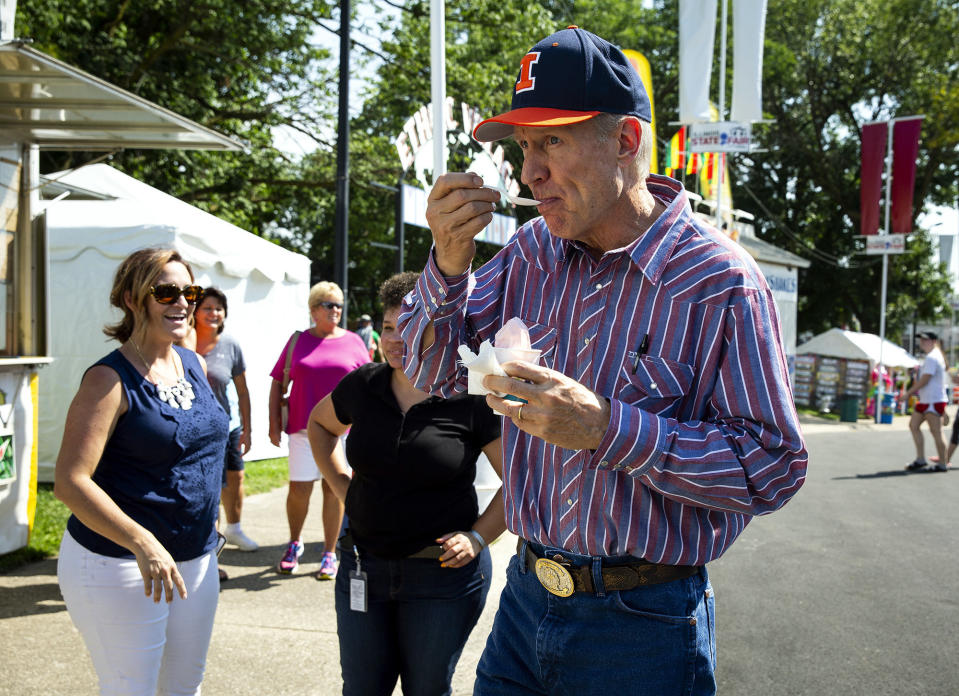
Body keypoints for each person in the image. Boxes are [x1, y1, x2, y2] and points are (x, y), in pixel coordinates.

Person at [398, 26, 808, 695]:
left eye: (551, 141)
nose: (528, 170)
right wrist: (446, 262)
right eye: (524, 146)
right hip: (525, 596)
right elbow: (435, 374)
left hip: (642, 623)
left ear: (624, 141)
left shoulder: (721, 282)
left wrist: (606, 429)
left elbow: (771, 467)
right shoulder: (531, 251)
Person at [308, 271, 506, 695]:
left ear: (437, 330)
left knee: (427, 689)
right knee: (362, 688)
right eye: (387, 328)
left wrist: (477, 537)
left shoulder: (468, 396)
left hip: (442, 579)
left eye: (410, 326)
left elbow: (520, 482)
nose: (396, 339)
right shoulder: (364, 385)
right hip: (363, 566)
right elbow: (320, 426)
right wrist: (343, 485)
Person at [54, 247, 229, 695]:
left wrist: (213, 514)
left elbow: (203, 448)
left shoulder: (193, 363)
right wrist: (142, 541)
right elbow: (71, 481)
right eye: (166, 291)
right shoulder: (107, 380)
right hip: (122, 562)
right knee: (131, 687)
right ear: (132, 298)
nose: (183, 302)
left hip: (195, 559)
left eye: (190, 291)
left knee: (184, 685)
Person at [269, 281, 370, 578]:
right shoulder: (298, 341)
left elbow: (368, 383)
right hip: (302, 429)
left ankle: (329, 552)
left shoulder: (354, 341)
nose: (336, 309)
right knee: (299, 489)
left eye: (339, 304)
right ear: (314, 310)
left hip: (343, 432)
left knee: (333, 488)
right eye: (328, 304)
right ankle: (294, 544)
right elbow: (278, 382)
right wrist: (274, 424)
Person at [195, 287, 258, 550]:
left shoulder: (231, 344)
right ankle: (211, 544)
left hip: (229, 425)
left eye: (218, 309)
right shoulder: (183, 341)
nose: (213, 313)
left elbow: (242, 391)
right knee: (210, 486)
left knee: (236, 478)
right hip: (198, 430)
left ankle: (233, 530)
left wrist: (247, 429)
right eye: (207, 308)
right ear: (195, 311)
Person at [905, 331, 949, 472]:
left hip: (933, 401)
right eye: (921, 340)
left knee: (936, 431)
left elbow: (925, 380)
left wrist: (908, 393)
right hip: (927, 400)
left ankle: (942, 463)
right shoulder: (933, 356)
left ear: (934, 341)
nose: (922, 342)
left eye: (926, 340)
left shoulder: (932, 357)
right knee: (914, 425)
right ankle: (920, 459)